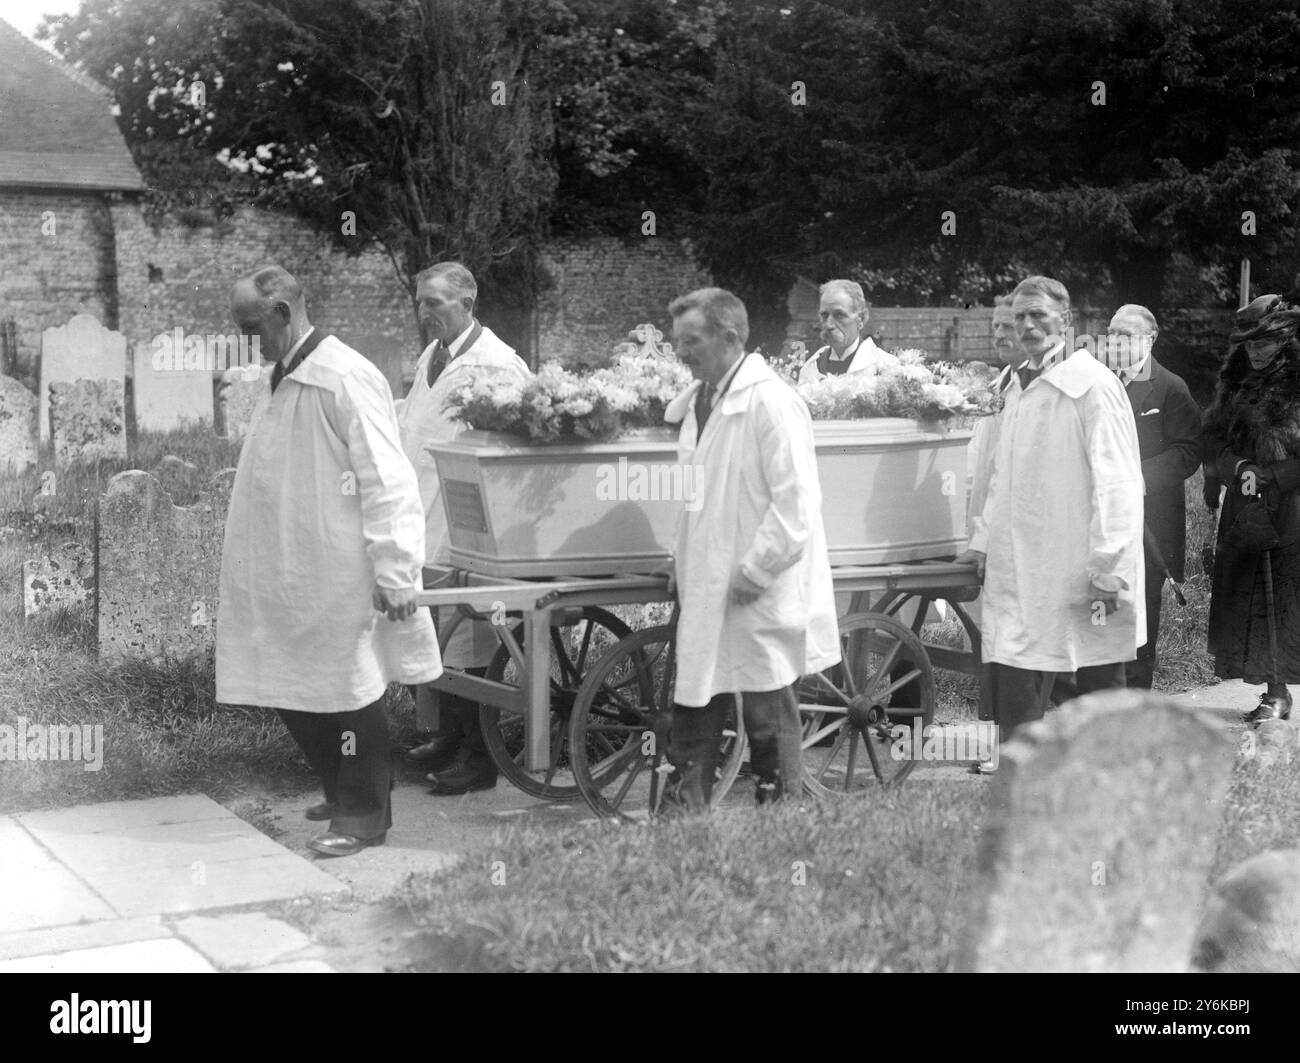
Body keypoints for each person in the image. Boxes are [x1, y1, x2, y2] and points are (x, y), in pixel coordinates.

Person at [216, 265, 441, 857]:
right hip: (292, 566)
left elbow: (388, 480)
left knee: (347, 689)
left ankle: (364, 814)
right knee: (295, 684)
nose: (249, 340)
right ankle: (339, 790)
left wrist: (396, 570)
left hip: (341, 568)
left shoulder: (345, 375)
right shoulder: (284, 375)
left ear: (285, 313)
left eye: (253, 326)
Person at [663, 287, 841, 808]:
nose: (681, 352)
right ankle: (683, 813)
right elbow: (693, 496)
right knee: (696, 696)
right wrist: (679, 556)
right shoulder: (701, 402)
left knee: (767, 707)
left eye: (691, 340)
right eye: (678, 341)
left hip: (755, 587)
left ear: (730, 336)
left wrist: (757, 570)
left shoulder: (771, 402)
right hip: (709, 577)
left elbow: (798, 503)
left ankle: (782, 812)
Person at [955, 275, 1145, 741]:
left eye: (1038, 314)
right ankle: (1021, 788)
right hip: (1023, 569)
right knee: (1018, 674)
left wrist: (1109, 569)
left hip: (1083, 569)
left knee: (1098, 691)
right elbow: (1002, 480)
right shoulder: (1018, 390)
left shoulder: (1094, 386)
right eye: (1020, 316)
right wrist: (981, 545)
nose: (1027, 325)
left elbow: (1118, 484)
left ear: (1068, 320)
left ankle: (1106, 797)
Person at [398, 261, 531, 795]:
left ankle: (480, 759)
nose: (423, 311)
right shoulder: (434, 355)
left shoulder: (498, 364)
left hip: (467, 526)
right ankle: (449, 737)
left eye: (433, 302)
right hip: (420, 514)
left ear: (466, 304)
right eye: (420, 300)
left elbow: (514, 454)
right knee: (437, 636)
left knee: (474, 640)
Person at [1204, 293, 1300, 724]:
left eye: (1264, 343)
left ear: (1283, 338)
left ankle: (1280, 692)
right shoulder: (1235, 381)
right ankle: (1268, 688)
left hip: (1292, 506)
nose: (1256, 352)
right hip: (1245, 504)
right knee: (1250, 594)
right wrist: (1239, 466)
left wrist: (1274, 477)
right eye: (1250, 344)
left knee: (1283, 593)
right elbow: (1215, 442)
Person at [1099, 304, 1202, 688]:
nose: (1115, 341)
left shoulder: (1170, 387)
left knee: (1143, 606)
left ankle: (1136, 694)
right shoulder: (1100, 382)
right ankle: (1097, 690)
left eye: (1126, 334)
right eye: (1111, 333)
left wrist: (1136, 478)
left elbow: (1189, 450)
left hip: (1151, 519)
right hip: (1103, 515)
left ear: (1150, 338)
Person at [796, 279, 890, 383]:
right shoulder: (811, 368)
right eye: (824, 315)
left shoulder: (885, 367)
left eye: (839, 315)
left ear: (861, 318)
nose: (829, 325)